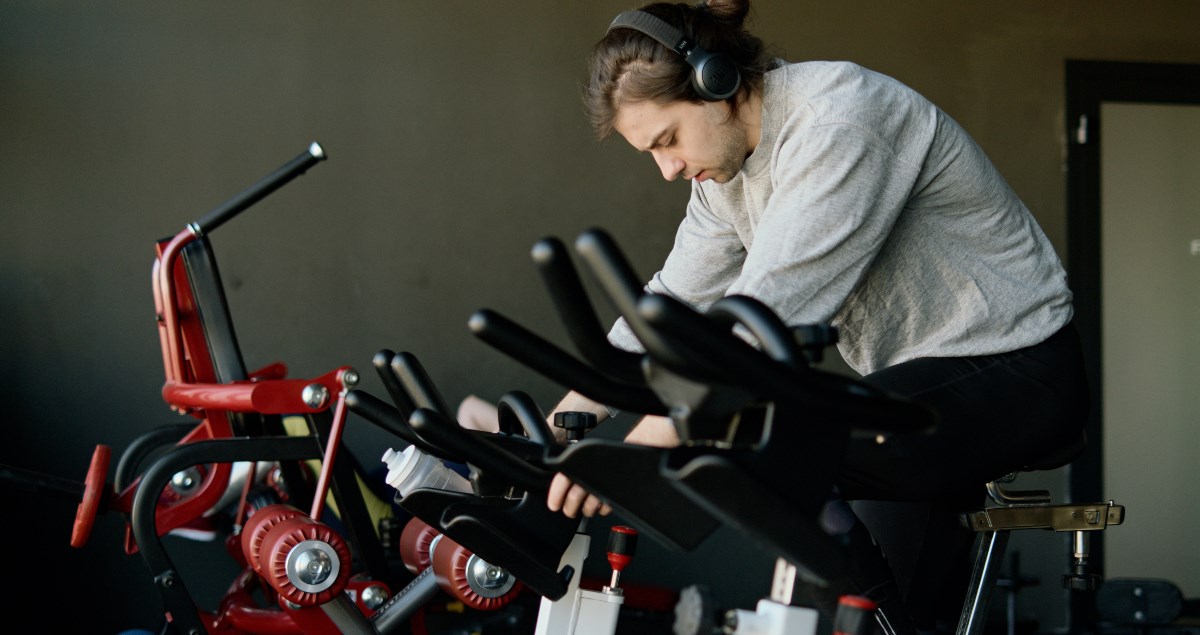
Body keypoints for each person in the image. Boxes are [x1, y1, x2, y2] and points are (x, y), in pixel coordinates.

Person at [464, 0, 1089, 630]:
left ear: (717, 84)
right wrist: (565, 419)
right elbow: (674, 303)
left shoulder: (840, 118)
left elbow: (770, 309)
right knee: (883, 579)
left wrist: (639, 448)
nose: (668, 168)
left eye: (669, 139)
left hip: (1021, 372)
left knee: (758, 440)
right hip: (910, 391)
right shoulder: (720, 180)